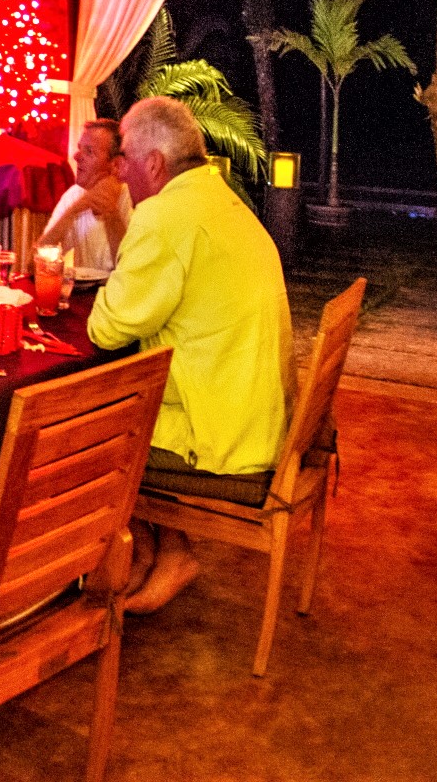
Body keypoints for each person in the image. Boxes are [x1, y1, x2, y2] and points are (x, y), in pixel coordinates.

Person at [86, 96, 294, 615]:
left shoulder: (166, 216)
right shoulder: (220, 201)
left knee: (87, 433)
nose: (120, 169)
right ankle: (164, 549)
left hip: (220, 432)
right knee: (133, 406)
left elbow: (107, 327)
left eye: (125, 157)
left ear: (155, 163)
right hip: (253, 410)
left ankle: (110, 564)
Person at [37, 118, 133, 272]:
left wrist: (111, 214)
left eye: (89, 151)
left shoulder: (134, 197)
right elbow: (37, 264)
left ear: (115, 164)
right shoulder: (75, 195)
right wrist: (75, 210)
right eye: (79, 148)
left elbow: (130, 269)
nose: (76, 156)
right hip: (84, 295)